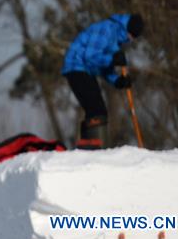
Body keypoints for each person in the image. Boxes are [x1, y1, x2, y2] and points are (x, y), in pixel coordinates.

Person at [61, 13, 145, 149]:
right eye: (133, 36)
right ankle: (94, 152)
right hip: (76, 66)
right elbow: (90, 57)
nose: (131, 40)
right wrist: (112, 60)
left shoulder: (115, 41)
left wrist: (117, 80)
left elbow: (102, 68)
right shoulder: (106, 29)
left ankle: (88, 148)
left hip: (86, 70)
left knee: (97, 111)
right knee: (97, 110)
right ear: (128, 30)